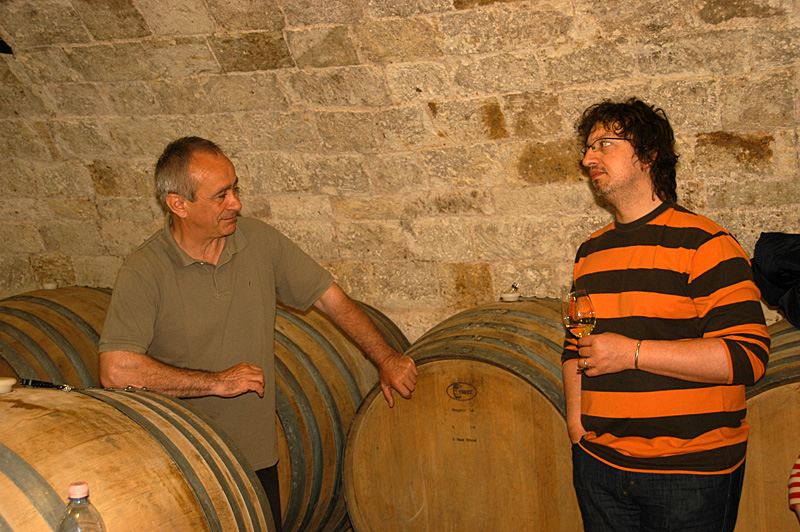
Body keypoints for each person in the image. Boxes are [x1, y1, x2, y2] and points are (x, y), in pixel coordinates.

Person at [98, 137, 418, 531]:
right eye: (221, 195)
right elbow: (116, 371)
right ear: (178, 204)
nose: (236, 203)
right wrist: (216, 383)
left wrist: (386, 357)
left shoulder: (258, 240)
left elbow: (329, 298)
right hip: (182, 463)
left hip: (255, 456)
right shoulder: (144, 271)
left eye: (236, 189)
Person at [561, 98, 770, 532]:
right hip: (601, 467)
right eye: (588, 148)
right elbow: (574, 346)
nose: (588, 159)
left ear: (648, 154)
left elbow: (747, 356)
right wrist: (578, 429)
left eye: (604, 144)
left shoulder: (705, 243)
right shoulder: (590, 252)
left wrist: (633, 354)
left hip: (690, 473)